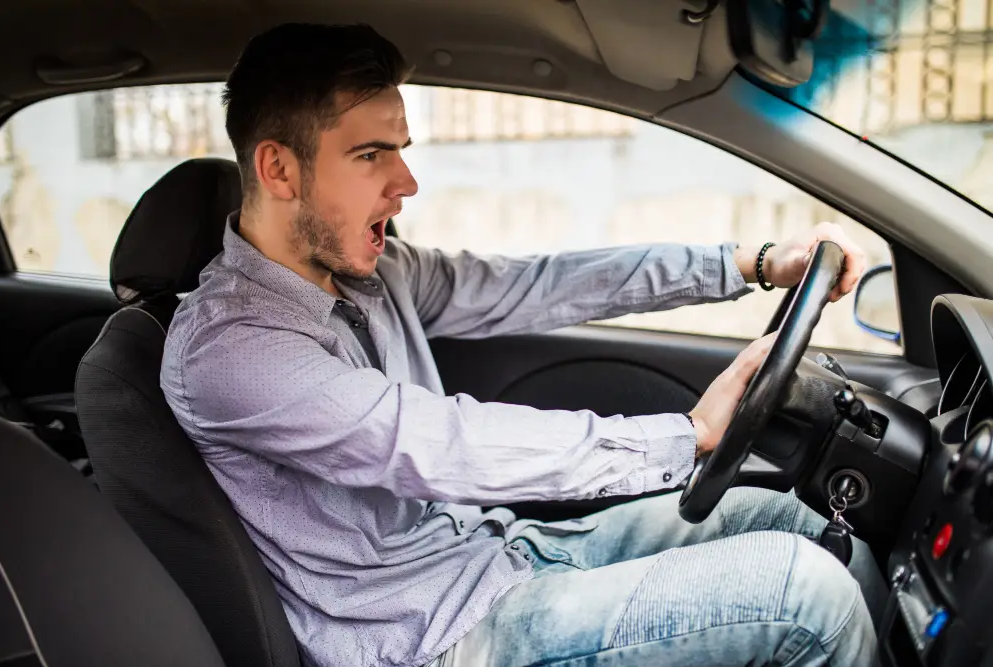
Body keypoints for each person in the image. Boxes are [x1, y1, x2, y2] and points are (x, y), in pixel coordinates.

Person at [160, 22, 883, 667]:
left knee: (799, 521)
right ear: (278, 169)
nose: (406, 182)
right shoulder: (229, 350)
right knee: (805, 593)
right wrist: (687, 435)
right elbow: (440, 442)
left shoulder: (374, 275)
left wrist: (748, 264)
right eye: (371, 154)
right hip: (432, 637)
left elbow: (544, 284)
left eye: (400, 151)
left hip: (497, 554)